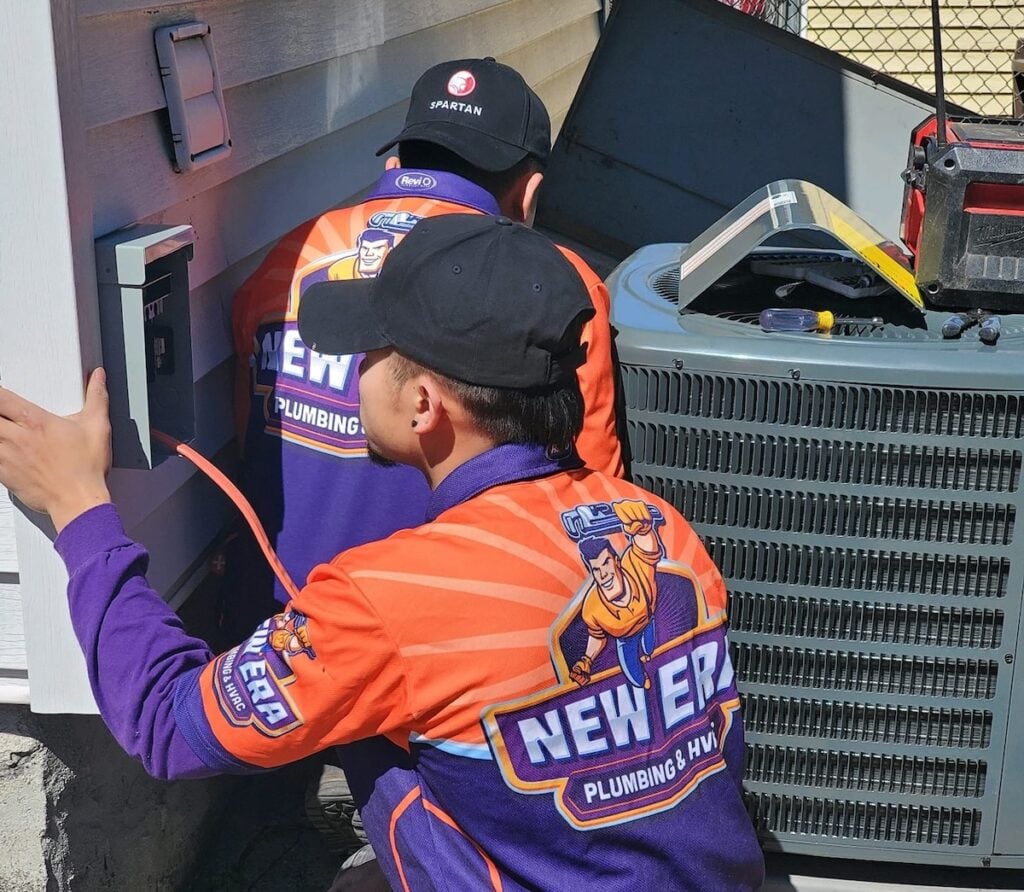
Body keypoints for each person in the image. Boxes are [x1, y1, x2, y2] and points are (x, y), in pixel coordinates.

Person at [0, 215, 764, 891]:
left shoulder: (391, 601)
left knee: (359, 711)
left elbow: (167, 723)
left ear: (424, 403)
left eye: (365, 351)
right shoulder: (661, 527)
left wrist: (78, 506)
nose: (352, 370)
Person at [230, 57, 622, 618]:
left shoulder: (283, 263)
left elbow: (249, 446)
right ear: (530, 194)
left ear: (396, 162)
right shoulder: (558, 289)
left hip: (273, 635)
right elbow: (591, 497)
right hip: (443, 637)